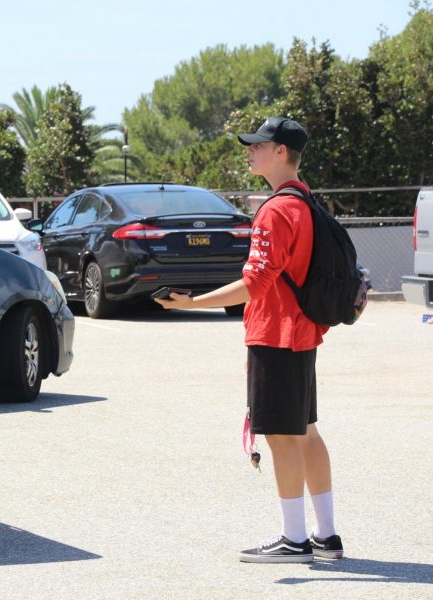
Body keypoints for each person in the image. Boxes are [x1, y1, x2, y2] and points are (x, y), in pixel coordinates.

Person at [156, 117, 342, 564]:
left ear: (281, 152)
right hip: (300, 334)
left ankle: (294, 540)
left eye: (259, 145)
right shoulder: (305, 199)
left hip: (275, 334)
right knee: (306, 432)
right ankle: (326, 535)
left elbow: (255, 282)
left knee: (281, 436)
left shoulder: (276, 210)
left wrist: (191, 303)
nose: (250, 151)